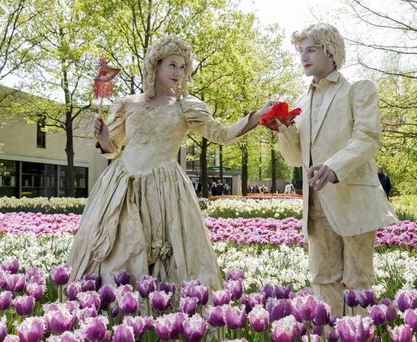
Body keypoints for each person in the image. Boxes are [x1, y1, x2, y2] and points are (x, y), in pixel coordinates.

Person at [68, 35, 272, 290]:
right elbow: (113, 149)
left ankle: (162, 309)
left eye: (183, 67)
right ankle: (113, 304)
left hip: (164, 187)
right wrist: (104, 138)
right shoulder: (127, 105)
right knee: (117, 249)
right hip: (121, 186)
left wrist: (256, 117)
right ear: (156, 65)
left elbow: (222, 135)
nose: (179, 72)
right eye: (172, 65)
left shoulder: (185, 107)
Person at [272, 23, 397, 317]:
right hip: (315, 205)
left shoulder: (358, 90)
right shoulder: (300, 104)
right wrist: (284, 131)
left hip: (353, 202)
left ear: (331, 51)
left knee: (357, 281)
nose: (303, 56)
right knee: (321, 279)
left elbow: (367, 137)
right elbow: (294, 158)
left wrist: (334, 167)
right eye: (300, 51)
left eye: (311, 49)